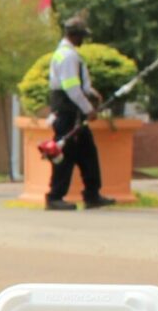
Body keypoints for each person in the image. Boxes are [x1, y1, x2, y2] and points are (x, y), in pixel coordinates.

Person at [44, 13, 115, 212]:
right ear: (74, 35)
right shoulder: (67, 56)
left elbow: (78, 86)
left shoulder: (67, 53)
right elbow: (71, 89)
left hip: (72, 114)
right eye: (82, 35)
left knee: (88, 154)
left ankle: (92, 195)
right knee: (64, 156)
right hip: (68, 114)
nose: (83, 39)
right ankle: (54, 197)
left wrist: (91, 93)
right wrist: (88, 109)